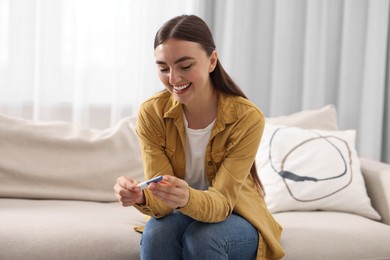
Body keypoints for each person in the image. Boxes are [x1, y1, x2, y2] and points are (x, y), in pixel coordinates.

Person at [114, 14, 284, 260]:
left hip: (237, 215)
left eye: (185, 66)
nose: (173, 79)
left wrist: (187, 197)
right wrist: (142, 196)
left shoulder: (247, 118)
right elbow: (162, 205)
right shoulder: (152, 113)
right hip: (182, 214)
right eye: (163, 68)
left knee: (203, 237)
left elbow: (222, 204)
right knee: (156, 233)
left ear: (212, 60)